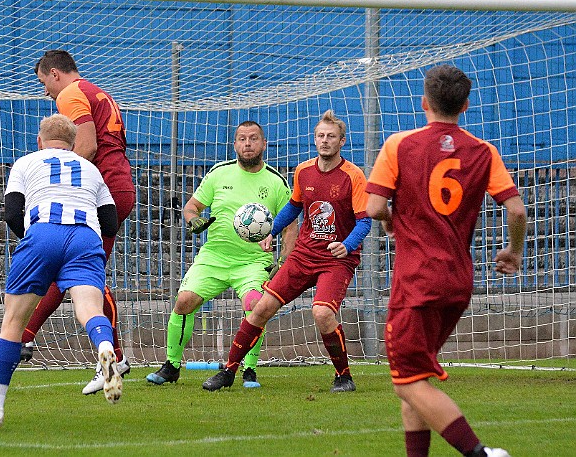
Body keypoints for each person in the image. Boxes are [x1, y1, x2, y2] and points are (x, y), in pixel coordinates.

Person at [365, 65, 526, 457]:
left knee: (405, 382)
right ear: (466, 105)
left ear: (423, 103)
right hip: (457, 282)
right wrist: (514, 252)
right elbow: (517, 211)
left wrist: (391, 220)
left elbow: (373, 208)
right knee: (415, 380)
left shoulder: (399, 145)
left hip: (417, 281)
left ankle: (479, 453)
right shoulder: (483, 151)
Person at [0, 49, 135, 395]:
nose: (46, 92)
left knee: (89, 279)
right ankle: (27, 339)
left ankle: (115, 358)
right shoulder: (95, 91)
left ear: (55, 74)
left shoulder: (71, 93)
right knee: (71, 273)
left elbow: (88, 145)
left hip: (101, 189)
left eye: (44, 83)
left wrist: (61, 187)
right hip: (113, 184)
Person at [0, 114, 122, 431]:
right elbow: (110, 221)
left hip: (43, 233)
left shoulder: (26, 163)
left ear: (40, 140)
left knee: (13, 320)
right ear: (75, 144)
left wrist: (37, 244)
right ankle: (106, 349)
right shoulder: (90, 169)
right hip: (85, 237)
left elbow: (11, 213)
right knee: (90, 308)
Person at [202, 110, 371, 392]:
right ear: (315, 139)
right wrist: (271, 231)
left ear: (342, 141)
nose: (325, 140)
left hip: (336, 259)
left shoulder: (353, 176)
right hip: (304, 254)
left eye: (331, 136)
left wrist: (347, 245)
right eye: (320, 136)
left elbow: (365, 220)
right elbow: (294, 206)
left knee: (322, 313)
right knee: (261, 308)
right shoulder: (303, 171)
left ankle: (344, 376)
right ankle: (229, 371)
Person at [146, 121, 298, 388]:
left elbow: (291, 226)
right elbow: (191, 208)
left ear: (264, 144)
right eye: (241, 139)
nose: (247, 143)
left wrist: (285, 260)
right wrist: (193, 220)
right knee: (184, 301)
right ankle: (171, 366)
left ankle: (248, 369)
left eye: (253, 139)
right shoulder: (219, 173)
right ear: (235, 144)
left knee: (254, 305)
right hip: (214, 257)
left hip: (252, 262)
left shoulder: (276, 182)